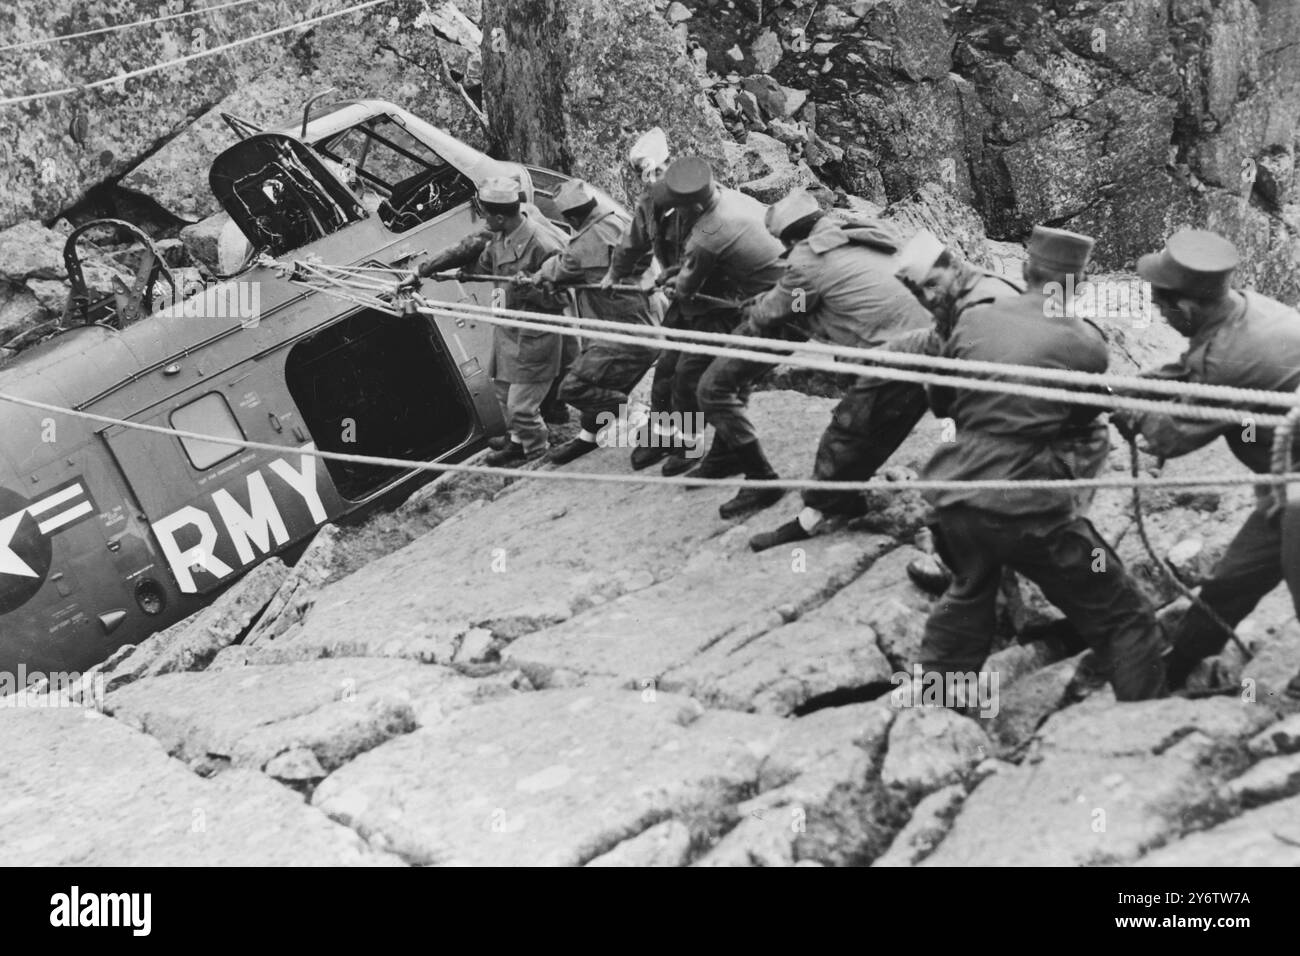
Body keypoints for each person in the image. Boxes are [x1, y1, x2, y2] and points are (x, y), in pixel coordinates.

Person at [917, 225, 1166, 702]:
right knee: (1123, 617)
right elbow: (1080, 416)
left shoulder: (976, 318)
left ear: (1025, 269)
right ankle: (1146, 727)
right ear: (1080, 285)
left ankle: (930, 715)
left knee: (968, 596)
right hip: (1025, 509)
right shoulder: (1085, 343)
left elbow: (942, 403)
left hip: (953, 501)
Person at [749, 228, 1020, 553]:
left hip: (1013, 406)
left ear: (955, 268)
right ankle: (826, 506)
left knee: (947, 455)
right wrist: (882, 361)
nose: (929, 298)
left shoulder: (984, 309)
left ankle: (958, 555)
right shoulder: (961, 290)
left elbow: (969, 391)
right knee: (859, 408)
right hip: (931, 348)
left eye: (933, 285)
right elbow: (935, 339)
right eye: (920, 292)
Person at [1111, 229, 1300, 695]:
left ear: (1187, 308)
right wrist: (1125, 386)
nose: (1158, 313)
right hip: (1285, 485)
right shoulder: (1247, 308)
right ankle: (1179, 671)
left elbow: (1166, 438)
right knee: (1230, 583)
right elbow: (1189, 370)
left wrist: (1130, 415)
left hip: (1295, 492)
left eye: (1161, 306)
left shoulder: (1229, 361)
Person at [711, 188, 931, 521]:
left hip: (896, 354)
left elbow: (777, 312)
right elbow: (812, 296)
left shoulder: (806, 261)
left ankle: (832, 503)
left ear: (789, 240)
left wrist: (756, 306)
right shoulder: (858, 233)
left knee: (847, 431)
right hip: (933, 331)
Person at [421, 177, 568, 465]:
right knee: (501, 388)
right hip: (507, 330)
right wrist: (460, 272)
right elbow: (486, 264)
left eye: (486, 215)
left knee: (522, 406)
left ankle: (539, 453)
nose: (484, 221)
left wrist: (532, 289)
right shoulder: (501, 237)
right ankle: (516, 442)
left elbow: (562, 298)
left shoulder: (543, 244)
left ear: (500, 216)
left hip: (534, 335)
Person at [660, 157, 787, 490]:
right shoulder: (730, 198)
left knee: (700, 379)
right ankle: (724, 450)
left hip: (777, 309)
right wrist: (684, 270)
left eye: (682, 208)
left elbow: (686, 290)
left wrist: (677, 279)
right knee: (730, 376)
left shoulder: (706, 233)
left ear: (696, 203)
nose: (680, 215)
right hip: (786, 295)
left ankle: (745, 468)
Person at [523, 179, 662, 464]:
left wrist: (538, 275)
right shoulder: (619, 220)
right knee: (603, 383)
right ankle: (589, 438)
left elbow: (558, 270)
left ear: (571, 217)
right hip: (649, 320)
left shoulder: (585, 244)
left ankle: (636, 417)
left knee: (575, 387)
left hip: (621, 334)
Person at [601, 128, 701, 469]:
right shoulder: (649, 206)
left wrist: (679, 281)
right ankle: (662, 434)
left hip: (713, 294)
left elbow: (713, 253)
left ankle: (691, 444)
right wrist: (615, 274)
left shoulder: (699, 199)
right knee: (666, 373)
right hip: (683, 295)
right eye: (646, 175)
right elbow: (632, 243)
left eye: (658, 172)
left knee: (689, 373)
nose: (652, 181)